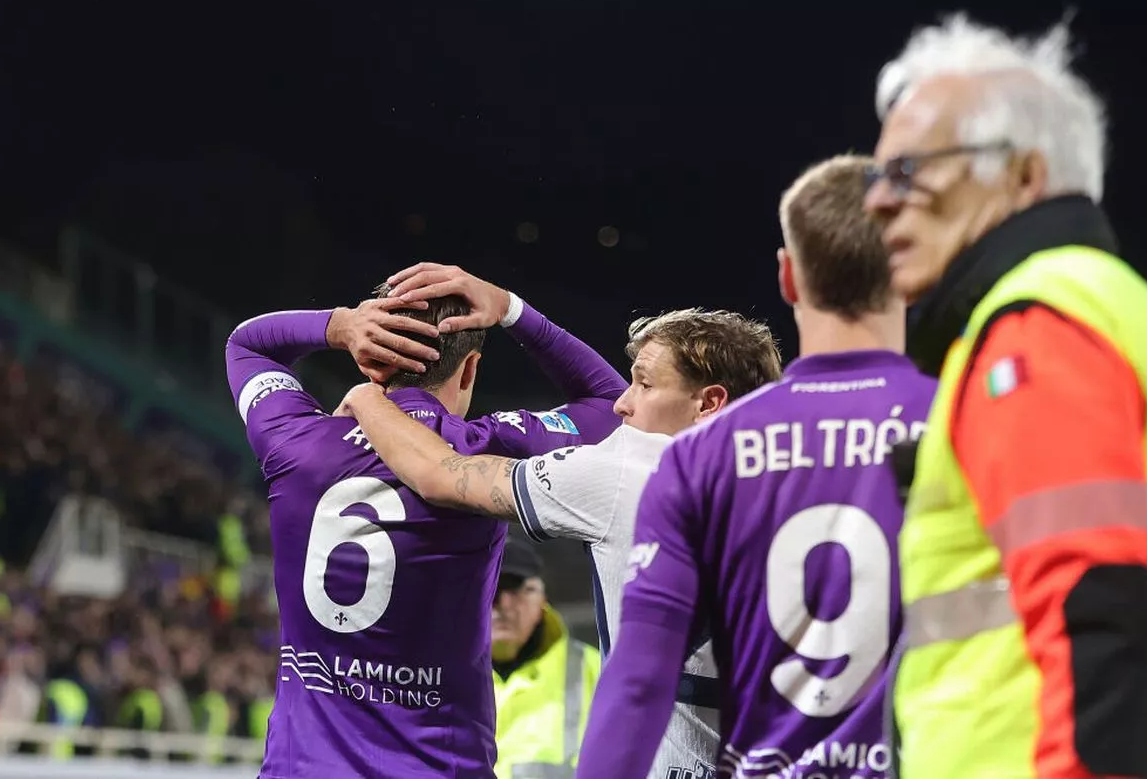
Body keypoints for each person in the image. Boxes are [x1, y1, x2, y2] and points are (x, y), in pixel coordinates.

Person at [863, 14, 1147, 779]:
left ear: (1023, 175)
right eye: (875, 176)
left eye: (910, 171)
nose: (879, 201)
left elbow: (1096, 609)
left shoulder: (1033, 327)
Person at [573, 155, 936, 779]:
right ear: (909, 266)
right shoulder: (965, 428)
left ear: (789, 276)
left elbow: (638, 683)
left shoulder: (697, 458)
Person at [335, 307, 783, 779]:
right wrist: (510, 308)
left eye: (644, 385)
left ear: (708, 403)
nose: (621, 403)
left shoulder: (634, 470)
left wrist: (368, 399)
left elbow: (439, 474)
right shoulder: (803, 478)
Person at [225, 264, 625, 779]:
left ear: (369, 363)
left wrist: (340, 325)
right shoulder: (485, 448)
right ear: (470, 369)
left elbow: (248, 344)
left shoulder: (296, 442)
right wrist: (512, 310)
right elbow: (613, 408)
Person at [486, 537, 600, 779]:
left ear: (542, 601)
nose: (502, 604)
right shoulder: (438, 677)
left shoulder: (597, 672)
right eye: (490, 590)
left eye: (514, 588)